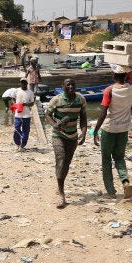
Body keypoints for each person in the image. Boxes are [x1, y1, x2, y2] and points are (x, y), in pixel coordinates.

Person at [93, 64, 132, 200]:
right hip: (123, 129)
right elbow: (130, 76)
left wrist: (95, 130)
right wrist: (127, 67)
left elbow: (104, 112)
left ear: (113, 76)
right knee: (119, 157)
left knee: (106, 160)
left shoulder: (109, 90)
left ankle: (111, 191)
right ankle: (125, 181)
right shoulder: (131, 88)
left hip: (109, 129)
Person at [45, 78, 87, 208]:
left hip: (72, 137)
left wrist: (84, 133)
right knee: (61, 160)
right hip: (58, 135)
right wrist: (54, 125)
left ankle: (59, 185)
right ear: (62, 86)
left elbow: (84, 119)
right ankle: (62, 196)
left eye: (72, 84)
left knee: (66, 163)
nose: (70, 86)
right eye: (67, 84)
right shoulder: (56, 100)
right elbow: (47, 115)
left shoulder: (80, 100)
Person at [12, 79, 35, 151]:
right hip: (18, 114)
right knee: (17, 129)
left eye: (25, 83)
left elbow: (32, 103)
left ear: (27, 83)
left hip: (26, 115)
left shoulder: (30, 92)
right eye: (22, 83)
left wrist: (25, 104)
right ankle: (17, 143)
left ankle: (22, 145)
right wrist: (15, 104)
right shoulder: (16, 90)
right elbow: (12, 98)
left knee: (26, 131)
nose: (23, 84)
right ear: (20, 83)